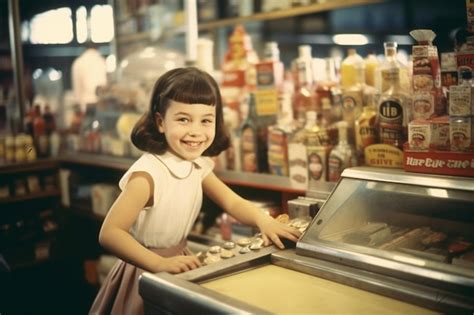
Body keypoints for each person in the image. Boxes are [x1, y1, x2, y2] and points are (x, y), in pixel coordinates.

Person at [89, 67, 301, 314]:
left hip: (179, 262)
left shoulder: (197, 165)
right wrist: (158, 263)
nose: (196, 131)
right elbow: (111, 233)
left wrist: (263, 221)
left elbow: (232, 203)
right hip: (144, 270)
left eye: (206, 120)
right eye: (183, 119)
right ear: (160, 122)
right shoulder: (148, 174)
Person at [71, 41, 107, 113]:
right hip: (101, 103)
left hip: (85, 104)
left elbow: (77, 86)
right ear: (97, 48)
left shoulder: (78, 62)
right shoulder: (102, 61)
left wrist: (78, 106)